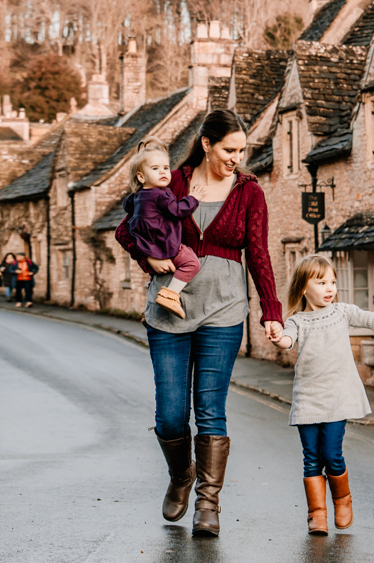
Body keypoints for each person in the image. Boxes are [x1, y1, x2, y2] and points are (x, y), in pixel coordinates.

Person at [115, 109, 283, 537]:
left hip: (224, 311)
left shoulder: (249, 191)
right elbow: (127, 229)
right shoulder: (169, 180)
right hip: (168, 311)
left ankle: (208, 503)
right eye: (229, 149)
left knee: (210, 410)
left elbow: (258, 253)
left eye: (242, 151)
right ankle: (181, 475)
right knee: (172, 415)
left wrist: (271, 310)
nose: (236, 158)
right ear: (207, 144)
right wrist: (148, 258)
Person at [270, 255, 374, 535]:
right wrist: (277, 336)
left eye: (333, 282)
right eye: (321, 282)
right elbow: (286, 341)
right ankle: (317, 514)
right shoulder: (297, 321)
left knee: (332, 454)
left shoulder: (343, 312)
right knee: (311, 458)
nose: (330, 288)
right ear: (303, 287)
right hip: (308, 400)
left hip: (338, 397)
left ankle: (342, 499)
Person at [123, 137, 207, 319]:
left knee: (154, 278)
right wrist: (193, 198)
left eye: (166, 168)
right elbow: (178, 210)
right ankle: (170, 295)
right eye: (155, 169)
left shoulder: (137, 196)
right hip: (165, 245)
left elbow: (127, 207)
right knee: (192, 263)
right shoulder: (159, 195)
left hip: (147, 246)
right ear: (141, 176)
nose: (163, 172)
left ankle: (149, 310)